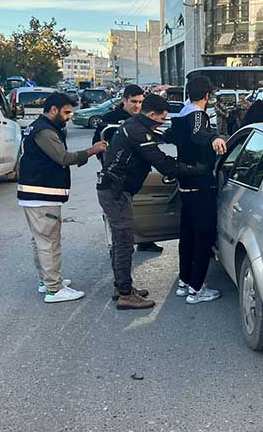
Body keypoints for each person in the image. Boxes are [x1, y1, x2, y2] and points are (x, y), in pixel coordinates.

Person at [97, 94, 211, 310]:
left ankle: (122, 287)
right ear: (151, 114)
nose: (161, 123)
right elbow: (163, 164)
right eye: (161, 119)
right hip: (115, 192)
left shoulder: (134, 125)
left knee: (121, 242)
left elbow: (161, 140)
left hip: (115, 189)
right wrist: (194, 169)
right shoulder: (138, 131)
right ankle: (125, 294)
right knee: (124, 243)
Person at [18, 93, 107, 303]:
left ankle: (47, 281)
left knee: (41, 240)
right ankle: (54, 289)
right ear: (53, 110)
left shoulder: (38, 127)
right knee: (49, 242)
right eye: (66, 112)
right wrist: (92, 150)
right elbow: (63, 158)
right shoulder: (45, 131)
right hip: (42, 194)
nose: (69, 117)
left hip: (36, 194)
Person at [163, 76, 227, 304]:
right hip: (201, 184)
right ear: (207, 95)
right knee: (203, 236)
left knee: (187, 236)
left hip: (185, 184)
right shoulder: (198, 115)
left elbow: (170, 136)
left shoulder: (180, 116)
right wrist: (214, 137)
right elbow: (198, 133)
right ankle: (197, 289)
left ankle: (185, 281)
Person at [92, 85, 163, 254]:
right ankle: (118, 245)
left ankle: (144, 240)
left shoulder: (144, 118)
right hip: (116, 175)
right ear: (124, 100)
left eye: (140, 102)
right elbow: (98, 143)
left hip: (138, 172)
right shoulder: (110, 118)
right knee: (118, 215)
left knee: (142, 207)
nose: (137, 106)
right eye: (133, 101)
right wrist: (107, 163)